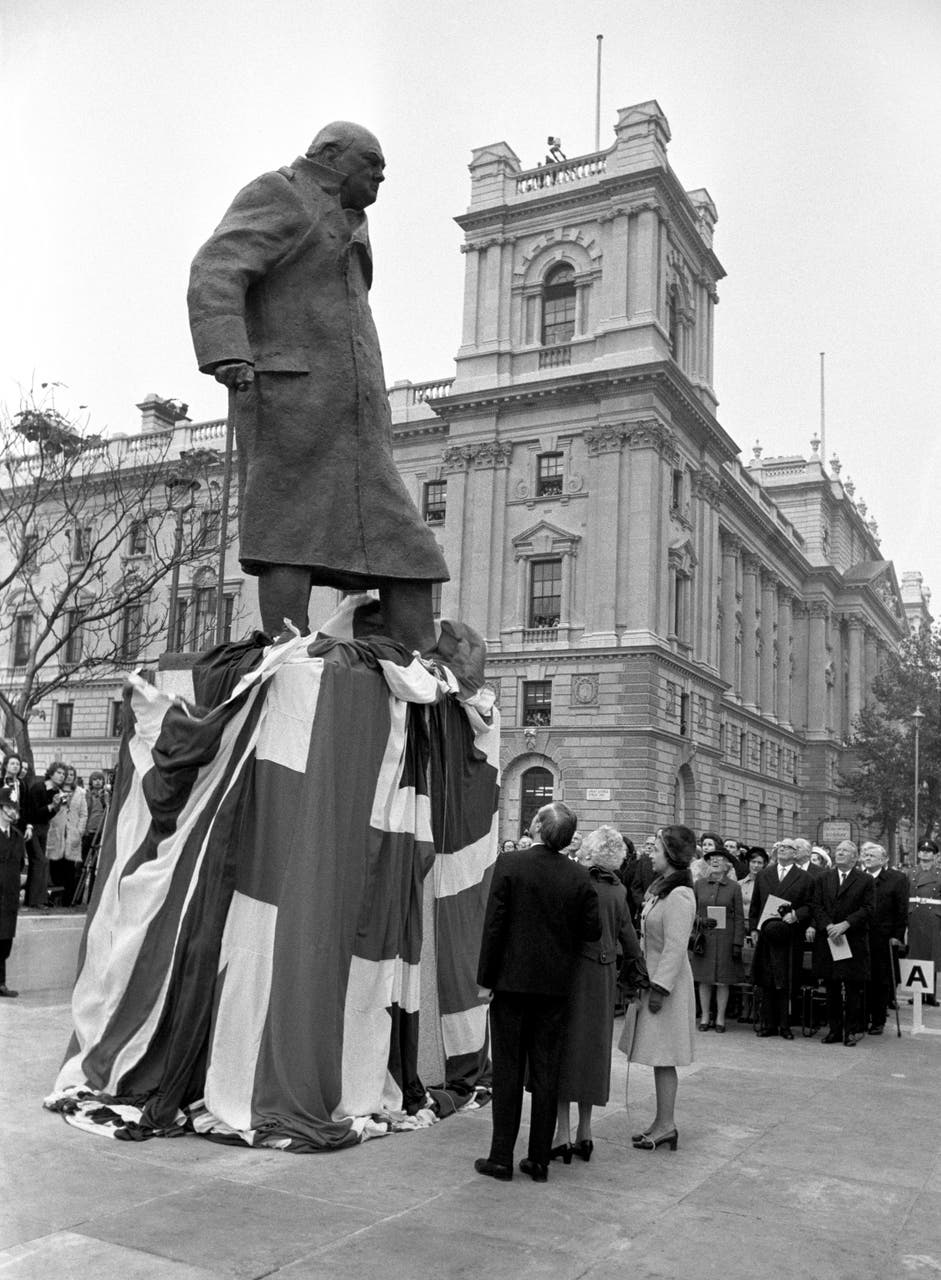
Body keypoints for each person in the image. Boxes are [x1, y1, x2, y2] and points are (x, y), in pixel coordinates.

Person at [188, 121, 449, 651]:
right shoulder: (281, 192)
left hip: (356, 419)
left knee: (409, 547)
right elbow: (216, 266)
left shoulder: (352, 219)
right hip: (292, 400)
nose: (381, 174)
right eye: (370, 161)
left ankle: (420, 666)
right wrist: (228, 351)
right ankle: (287, 655)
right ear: (330, 157)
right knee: (289, 534)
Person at [475, 802, 601, 1183]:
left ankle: (501, 1157)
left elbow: (494, 926)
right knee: (547, 1071)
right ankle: (539, 1160)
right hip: (554, 987)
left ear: (535, 826)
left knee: (509, 1071)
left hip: (511, 984)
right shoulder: (580, 876)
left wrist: (485, 979)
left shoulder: (510, 865)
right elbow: (591, 931)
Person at [552, 827, 642, 1163]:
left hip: (572, 972)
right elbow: (629, 938)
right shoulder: (618, 890)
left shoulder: (575, 880)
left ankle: (561, 1133)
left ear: (588, 851)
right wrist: (638, 974)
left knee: (564, 1050)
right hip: (603, 975)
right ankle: (585, 1132)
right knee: (593, 1052)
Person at [620, 825, 697, 1152]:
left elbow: (676, 947)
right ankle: (661, 1122)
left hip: (667, 986)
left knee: (665, 1055)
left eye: (656, 849)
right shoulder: (663, 889)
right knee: (658, 1056)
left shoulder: (679, 894)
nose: (650, 853)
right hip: (652, 980)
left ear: (671, 855)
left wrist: (659, 989)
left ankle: (667, 1124)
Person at [809, 839, 875, 1044]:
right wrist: (827, 925)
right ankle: (835, 1030)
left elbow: (868, 908)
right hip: (829, 938)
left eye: (845, 851)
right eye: (838, 850)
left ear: (855, 857)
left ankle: (851, 1031)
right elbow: (815, 904)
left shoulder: (865, 880)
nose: (840, 853)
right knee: (832, 986)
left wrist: (846, 924)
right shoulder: (823, 877)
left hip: (852, 939)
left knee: (853, 987)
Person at [749, 839, 813, 1038]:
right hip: (767, 934)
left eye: (788, 848)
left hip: (790, 935)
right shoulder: (764, 874)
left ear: (796, 854)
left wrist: (796, 915)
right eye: (780, 847)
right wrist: (753, 928)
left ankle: (785, 1025)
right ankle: (768, 1024)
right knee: (767, 979)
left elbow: (810, 905)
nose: (783, 849)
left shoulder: (805, 878)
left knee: (785, 980)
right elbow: (755, 904)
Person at [691, 843, 744, 1032]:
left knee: (722, 980)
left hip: (725, 939)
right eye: (711, 859)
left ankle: (720, 1018)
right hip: (704, 938)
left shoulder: (734, 887)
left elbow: (739, 916)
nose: (715, 861)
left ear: (727, 864)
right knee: (704, 979)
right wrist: (700, 921)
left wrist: (737, 942)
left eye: (719, 859)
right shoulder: (699, 885)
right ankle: (705, 1017)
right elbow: (692, 911)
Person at [860, 842, 909, 1034]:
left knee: (881, 979)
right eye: (865, 854)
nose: (868, 857)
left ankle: (878, 1020)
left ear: (884, 859)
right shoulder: (860, 877)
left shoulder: (896, 879)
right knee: (862, 978)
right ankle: (862, 1017)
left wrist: (897, 935)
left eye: (872, 855)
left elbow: (901, 910)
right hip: (862, 935)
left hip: (884, 936)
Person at [23, 761, 68, 909]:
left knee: (38, 863)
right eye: (59, 773)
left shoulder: (56, 792)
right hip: (31, 827)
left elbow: (48, 816)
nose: (62, 776)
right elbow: (33, 812)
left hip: (43, 828)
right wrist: (51, 806)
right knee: (41, 861)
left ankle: (32, 898)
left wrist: (56, 807)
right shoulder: (38, 788)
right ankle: (38, 900)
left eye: (63, 774)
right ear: (51, 773)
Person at [906, 840, 941, 1004]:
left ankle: (931, 993)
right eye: (922, 850)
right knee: (916, 953)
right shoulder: (909, 873)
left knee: (931, 954)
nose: (925, 853)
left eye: (929, 851)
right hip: (914, 916)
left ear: (935, 855)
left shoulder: (939, 875)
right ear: (918, 853)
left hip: (933, 918)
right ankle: (917, 993)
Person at [0, 785, 27, 996]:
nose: (13, 812)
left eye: (15, 808)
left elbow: (19, 866)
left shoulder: (17, 836)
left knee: (5, 941)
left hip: (9, 895)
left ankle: (1, 983)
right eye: (9, 807)